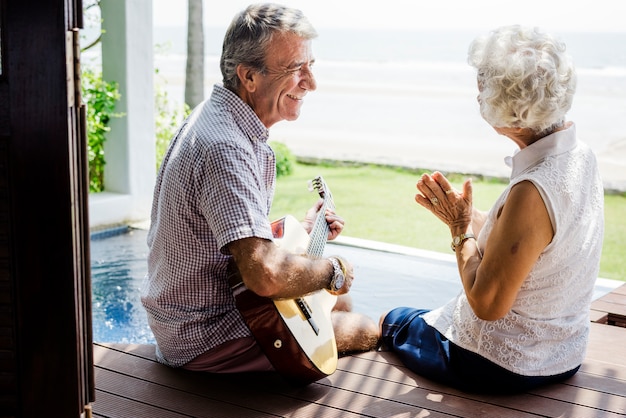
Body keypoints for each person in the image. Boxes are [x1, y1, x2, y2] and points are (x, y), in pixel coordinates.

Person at [141, 3, 380, 375]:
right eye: (295, 69)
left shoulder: (220, 117)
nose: (311, 82)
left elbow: (231, 234)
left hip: (190, 320)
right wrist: (335, 269)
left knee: (334, 306)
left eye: (310, 66)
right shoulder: (226, 147)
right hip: (206, 335)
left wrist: (303, 229)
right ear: (249, 77)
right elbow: (264, 275)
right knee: (366, 329)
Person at [380, 25, 604, 394]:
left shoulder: (532, 190)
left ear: (510, 108)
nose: (478, 93)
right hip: (562, 355)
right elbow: (539, 242)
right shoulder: (581, 155)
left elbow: (487, 304)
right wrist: (468, 216)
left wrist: (459, 230)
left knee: (393, 320)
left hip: (501, 364)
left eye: (483, 86)